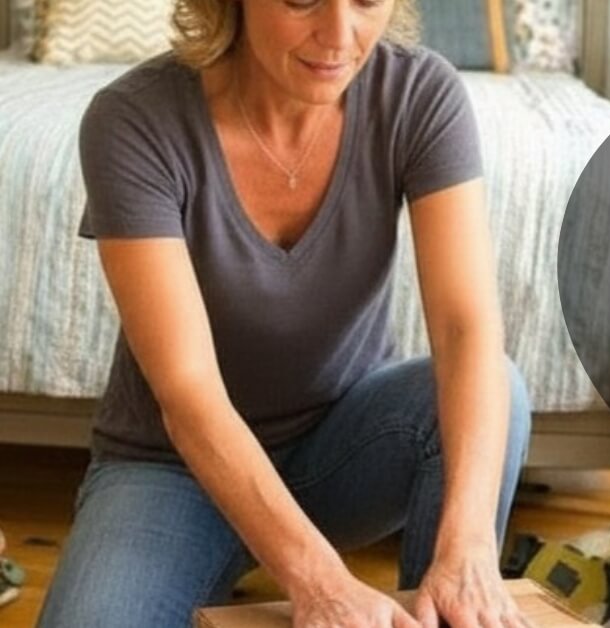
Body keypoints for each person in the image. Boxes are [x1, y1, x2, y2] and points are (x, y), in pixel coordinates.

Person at [37, 0, 532, 626]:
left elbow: (466, 330)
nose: (338, 36)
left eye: (367, 2)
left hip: (340, 449)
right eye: (302, 0)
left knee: (500, 387)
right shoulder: (135, 119)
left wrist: (469, 550)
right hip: (173, 469)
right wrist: (320, 582)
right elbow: (188, 394)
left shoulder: (418, 92)